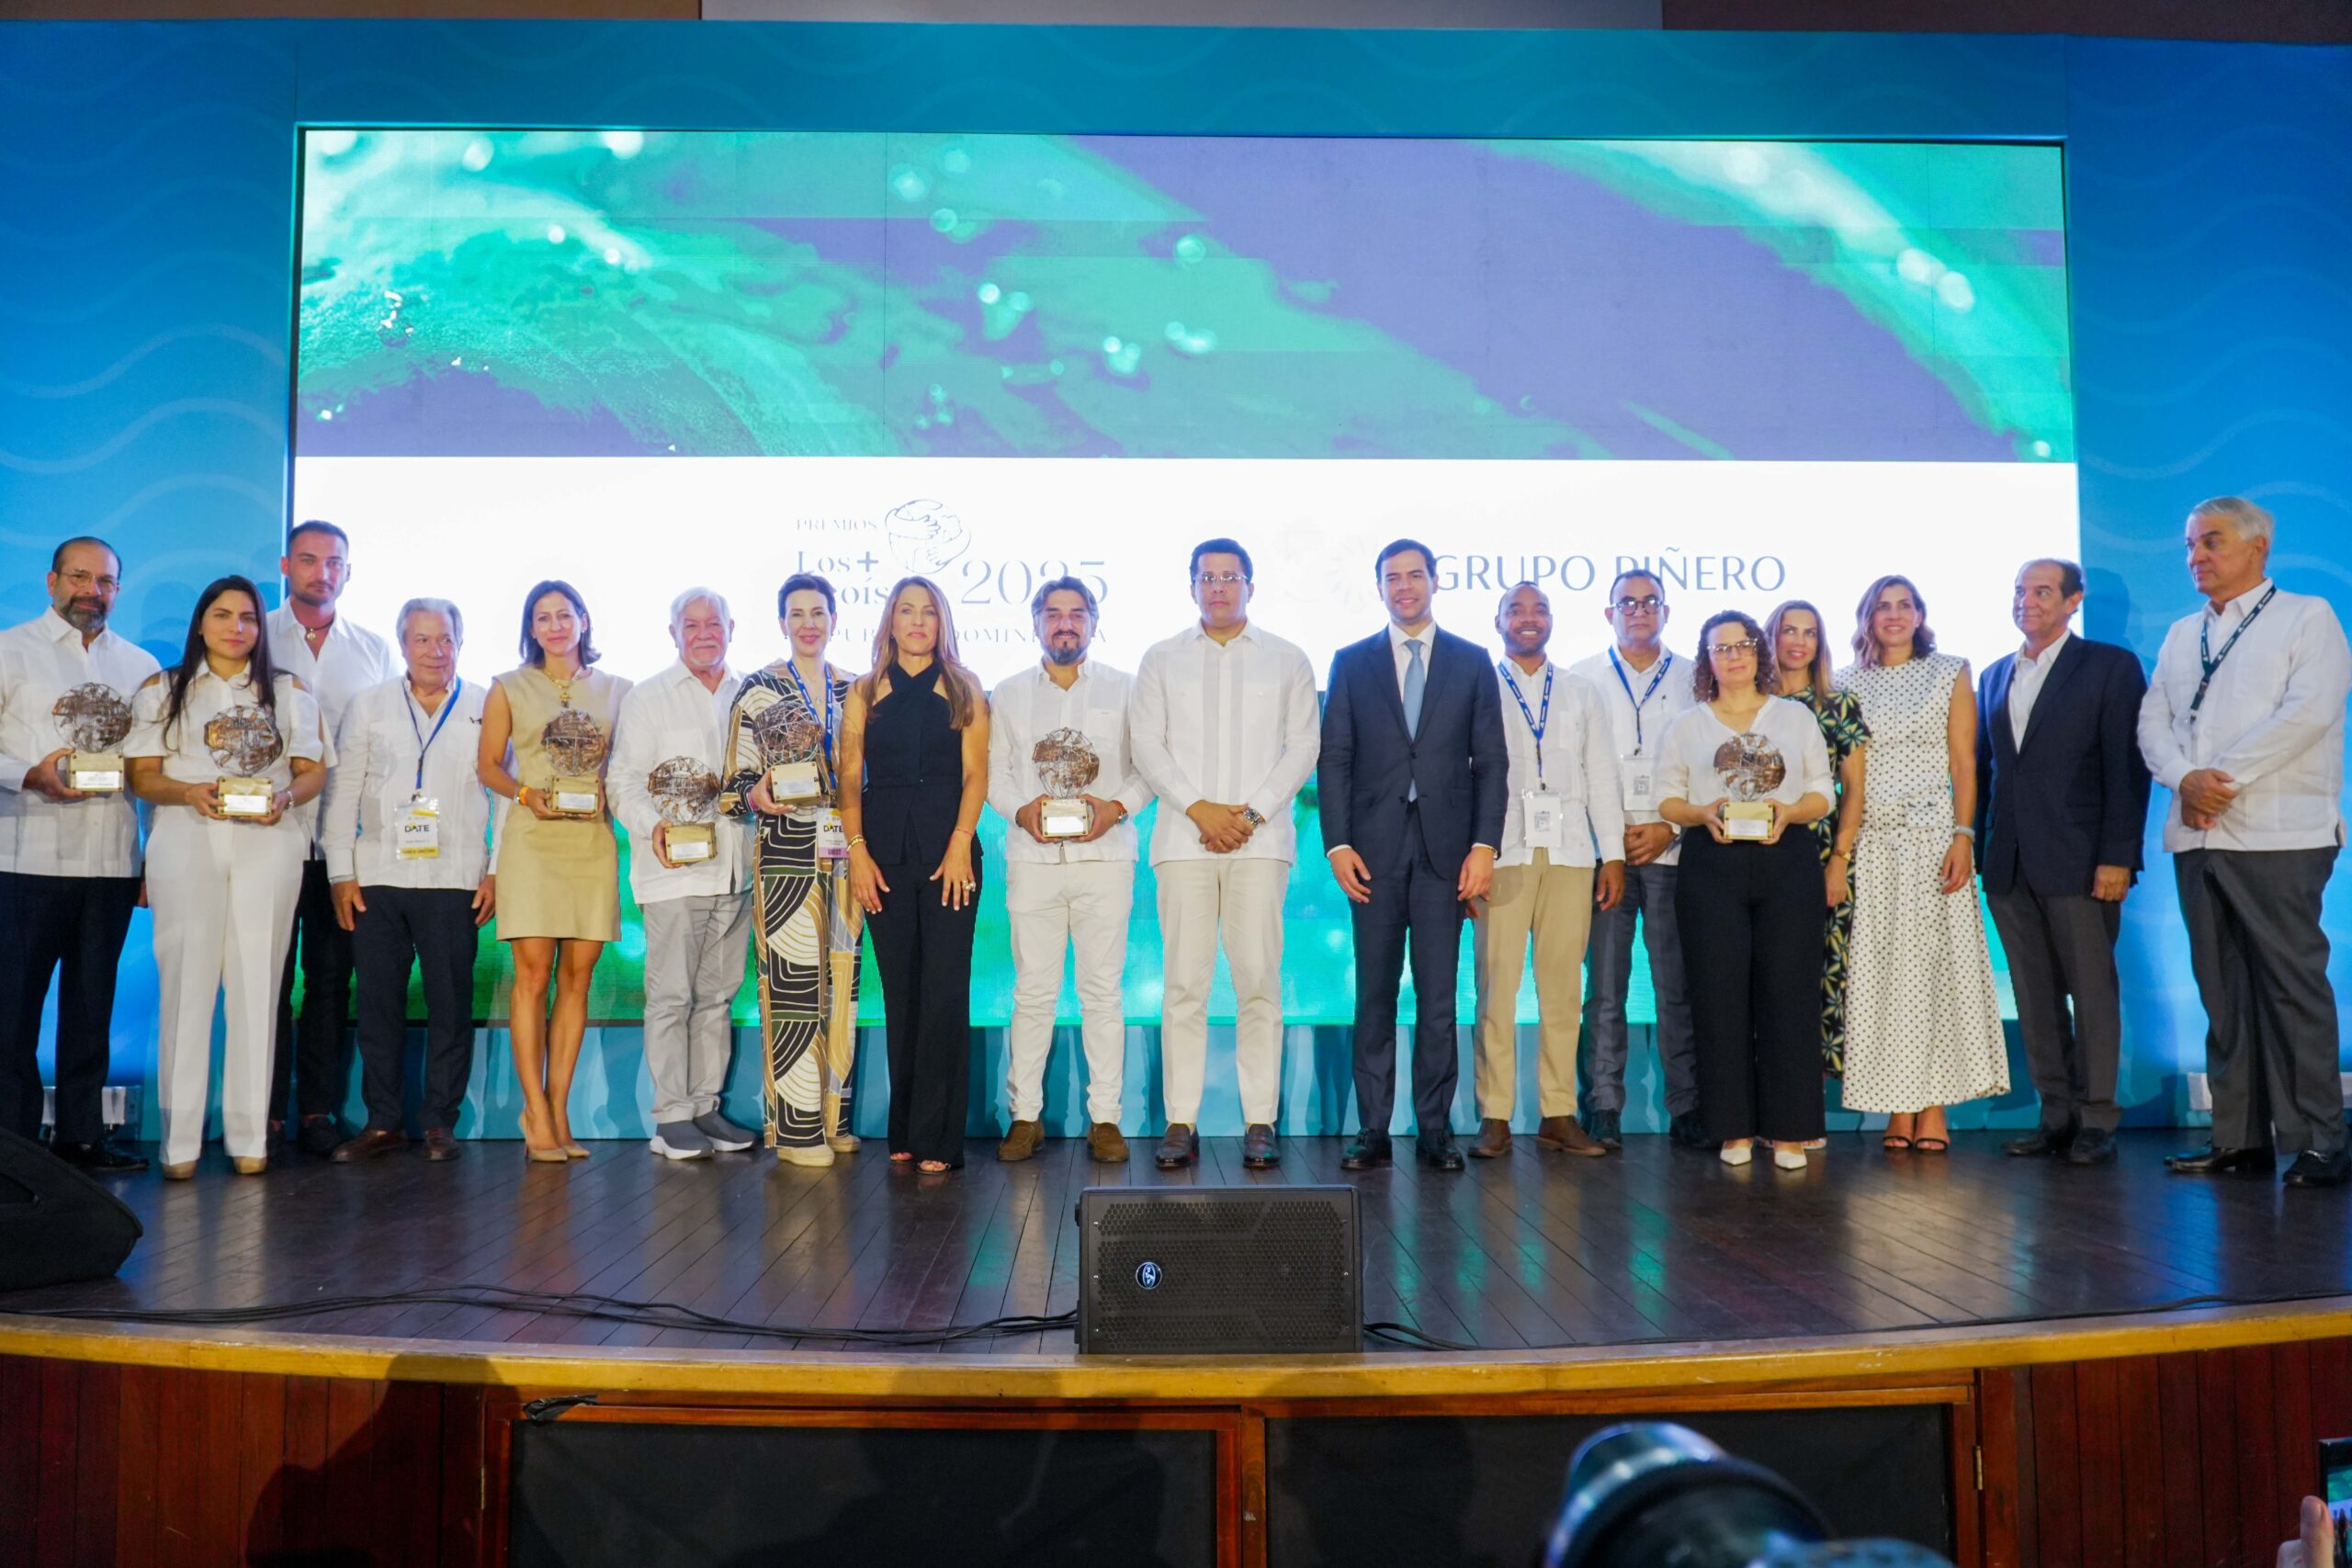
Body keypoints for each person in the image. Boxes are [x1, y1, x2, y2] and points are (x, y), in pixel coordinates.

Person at [2143, 497, 2350, 1188]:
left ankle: (2320, 1139)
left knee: (2291, 988)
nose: (2195, 556)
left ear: (2258, 546)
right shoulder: (2182, 634)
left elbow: (2309, 713)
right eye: (2189, 544)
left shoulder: (2307, 616)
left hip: (2279, 833)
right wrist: (2184, 778)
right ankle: (2239, 1139)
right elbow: (2153, 721)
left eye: (2211, 541)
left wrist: (2218, 781)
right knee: (2222, 992)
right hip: (2197, 836)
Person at [127, 576, 326, 1179]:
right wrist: (188, 791)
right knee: (186, 987)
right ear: (201, 622)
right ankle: (180, 1144)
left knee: (258, 987)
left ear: (261, 628)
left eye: (248, 617)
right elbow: (142, 775)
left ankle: (249, 1136)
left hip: (268, 842)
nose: (236, 627)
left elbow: (312, 771)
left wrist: (286, 797)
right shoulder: (163, 689)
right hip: (186, 840)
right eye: (222, 614)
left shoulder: (288, 690)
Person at [1129, 539, 1319, 1170]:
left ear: (1250, 586)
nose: (1217, 587)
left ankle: (1259, 1119)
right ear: (1191, 586)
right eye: (1206, 577)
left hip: (1260, 844)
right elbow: (1146, 746)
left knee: (1258, 982)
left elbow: (1303, 748)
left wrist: (1249, 815)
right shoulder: (1160, 659)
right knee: (1184, 983)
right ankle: (1179, 1120)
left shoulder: (1288, 659)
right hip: (1182, 841)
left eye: (1229, 577)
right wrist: (1199, 809)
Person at [1321, 538, 1509, 1173]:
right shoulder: (1351, 662)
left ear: (1434, 581)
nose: (1404, 586)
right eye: (1392, 578)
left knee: (1438, 998)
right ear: (1379, 587)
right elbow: (1335, 758)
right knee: (1373, 997)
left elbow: (1491, 762)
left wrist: (1484, 846)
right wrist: (1337, 843)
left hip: (1446, 855)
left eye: (1414, 575)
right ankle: (1372, 1128)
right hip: (1371, 855)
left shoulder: (1471, 661)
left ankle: (1435, 1129)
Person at [1978, 559, 2151, 1167]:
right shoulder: (1994, 675)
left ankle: (2097, 1117)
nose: (2027, 600)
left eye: (2043, 591)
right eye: (2020, 590)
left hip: (2082, 862)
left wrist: (2117, 856)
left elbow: (2125, 769)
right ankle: (2055, 1115)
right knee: (2034, 995)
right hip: (2009, 864)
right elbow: (1989, 773)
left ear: (2074, 600)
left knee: (2092, 993)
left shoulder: (2109, 666)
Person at [0, 537, 162, 1171]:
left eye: (105, 581)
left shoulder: (141, 666)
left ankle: (82, 1136)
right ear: (52, 581)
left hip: (111, 860)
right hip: (26, 857)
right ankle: (12, 1145)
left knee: (93, 1007)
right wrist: (27, 774)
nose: (92, 591)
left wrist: (151, 857)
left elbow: (150, 770)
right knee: (13, 1009)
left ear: (118, 589)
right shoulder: (10, 650)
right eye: (79, 577)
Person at [319, 598, 499, 1163]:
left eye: (445, 639)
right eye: (422, 639)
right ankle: (383, 1123)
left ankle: (440, 1122)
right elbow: (343, 791)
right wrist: (340, 873)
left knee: (450, 1003)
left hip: (455, 875)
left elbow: (504, 792)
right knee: (378, 1005)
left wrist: (496, 870)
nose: (434, 651)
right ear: (402, 645)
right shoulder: (369, 704)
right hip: (378, 874)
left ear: (460, 644)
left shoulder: (486, 705)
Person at [1656, 610, 1835, 1168]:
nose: (1733, 656)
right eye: (1721, 648)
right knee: (1718, 996)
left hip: (1788, 859)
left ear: (1759, 652)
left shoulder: (1794, 717)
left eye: (1742, 645)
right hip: (1711, 864)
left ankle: (1789, 1131)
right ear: (1706, 660)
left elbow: (1823, 792)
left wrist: (1790, 810)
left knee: (1789, 994)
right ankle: (1732, 1129)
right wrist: (1701, 812)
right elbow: (1667, 799)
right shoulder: (1686, 725)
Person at [1836, 575, 2008, 1153]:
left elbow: (1965, 763)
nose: (1893, 615)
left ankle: (1934, 1106)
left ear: (1919, 614)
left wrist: (1963, 836)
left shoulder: (1949, 670)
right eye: (1882, 606)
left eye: (1903, 605)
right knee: (1882, 977)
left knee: (1934, 972)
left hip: (1934, 841)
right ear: (1867, 617)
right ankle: (1898, 1103)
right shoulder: (1846, 681)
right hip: (1871, 844)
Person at [988, 576, 1150, 1166]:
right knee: (1032, 992)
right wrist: (1020, 810)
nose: (1065, 624)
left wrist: (1118, 807)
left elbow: (1149, 767)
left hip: (1105, 861)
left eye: (1076, 614)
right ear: (1035, 623)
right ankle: (1024, 1117)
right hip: (1033, 861)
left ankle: (1105, 1119)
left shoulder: (1127, 689)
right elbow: (996, 773)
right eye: (1053, 614)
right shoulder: (1008, 693)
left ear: (1094, 623)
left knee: (1102, 992)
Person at [1468, 582, 1625, 1160]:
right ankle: (1495, 1115)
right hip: (1501, 854)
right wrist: (1469, 858)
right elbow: (1464, 776)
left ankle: (1558, 1113)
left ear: (1553, 620)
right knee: (1497, 989)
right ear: (1498, 622)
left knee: (1563, 989)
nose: (1528, 619)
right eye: (1516, 610)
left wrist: (1612, 854)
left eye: (1539, 610)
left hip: (1570, 854)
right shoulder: (1479, 687)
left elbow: (1601, 775)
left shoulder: (1582, 690)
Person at [477, 581, 630, 1164]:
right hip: (533, 842)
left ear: (583, 620)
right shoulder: (507, 687)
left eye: (564, 615)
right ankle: (534, 1111)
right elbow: (488, 766)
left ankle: (560, 1110)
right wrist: (525, 794)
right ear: (531, 629)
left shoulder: (618, 690)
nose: (555, 626)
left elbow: (627, 766)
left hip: (591, 842)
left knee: (577, 978)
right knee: (533, 975)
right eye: (543, 618)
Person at [840, 577, 989, 1175]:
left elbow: (976, 774)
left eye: (929, 611)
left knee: (945, 990)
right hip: (883, 853)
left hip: (952, 850)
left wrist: (960, 844)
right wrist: (857, 852)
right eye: (907, 610)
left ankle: (941, 1139)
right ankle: (904, 1128)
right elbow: (849, 776)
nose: (918, 621)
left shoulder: (965, 686)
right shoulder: (863, 690)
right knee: (902, 990)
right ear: (891, 621)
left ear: (941, 622)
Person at [610, 589, 759, 1162]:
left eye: (713, 624)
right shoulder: (648, 697)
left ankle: (704, 1106)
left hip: (735, 869)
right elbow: (623, 781)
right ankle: (671, 1116)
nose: (703, 634)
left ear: (731, 628)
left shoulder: (750, 693)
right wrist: (654, 828)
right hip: (674, 873)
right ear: (672, 633)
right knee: (672, 996)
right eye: (691, 625)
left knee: (717, 997)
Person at [266, 520, 397, 1157]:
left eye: (335, 562)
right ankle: (262, 1114)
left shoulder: (373, 649)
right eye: (309, 559)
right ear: (285, 565)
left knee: (329, 981)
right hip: (266, 836)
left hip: (343, 848)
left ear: (348, 571)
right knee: (264, 978)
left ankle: (317, 1112)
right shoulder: (253, 636)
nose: (322, 572)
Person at [726, 574, 863, 1167]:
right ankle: (796, 1132)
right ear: (782, 623)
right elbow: (732, 785)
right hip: (786, 855)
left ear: (833, 619)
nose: (809, 623)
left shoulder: (856, 689)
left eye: (818, 612)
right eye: (797, 614)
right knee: (793, 989)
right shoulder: (758, 689)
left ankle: (834, 1120)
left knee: (841, 987)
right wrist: (754, 793)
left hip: (847, 853)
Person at [1568, 570, 1706, 1149]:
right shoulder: (1580, 678)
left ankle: (1688, 1107)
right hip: (1607, 858)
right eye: (1627, 603)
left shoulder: (1697, 678)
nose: (1639, 610)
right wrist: (1610, 839)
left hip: (1676, 851)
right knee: (1604, 989)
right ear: (1609, 614)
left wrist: (1671, 827)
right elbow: (1572, 768)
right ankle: (1602, 1105)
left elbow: (1710, 764)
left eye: (1651, 602)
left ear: (1667, 612)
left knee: (1678, 989)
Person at [1764, 600, 1869, 1144]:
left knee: (1812, 986)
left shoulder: (1838, 704)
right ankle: (1760, 1113)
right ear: (1771, 637)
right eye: (1789, 630)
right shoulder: (1749, 704)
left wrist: (1839, 862)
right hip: (1753, 860)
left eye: (1809, 632)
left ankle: (1803, 1114)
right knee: (1762, 985)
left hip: (1820, 857)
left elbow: (1855, 791)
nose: (1798, 641)